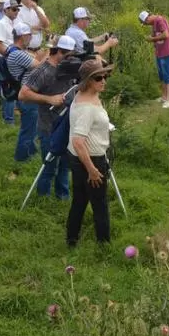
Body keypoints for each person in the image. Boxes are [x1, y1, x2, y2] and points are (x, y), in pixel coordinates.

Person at [19, 35, 77, 200]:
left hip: (67, 124)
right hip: (48, 126)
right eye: (67, 55)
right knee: (49, 165)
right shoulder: (43, 71)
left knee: (66, 164)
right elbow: (23, 94)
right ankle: (42, 198)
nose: (70, 58)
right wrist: (49, 99)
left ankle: (62, 196)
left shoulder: (67, 67)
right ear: (58, 51)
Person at [67, 59, 115, 247]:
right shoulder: (86, 107)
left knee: (79, 199)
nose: (103, 81)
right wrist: (92, 170)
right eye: (98, 78)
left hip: (80, 157)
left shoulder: (85, 93)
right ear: (87, 81)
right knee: (100, 203)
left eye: (105, 76)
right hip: (90, 158)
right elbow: (78, 142)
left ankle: (71, 239)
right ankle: (104, 244)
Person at [7, 21, 46, 162]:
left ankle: (30, 151)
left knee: (31, 127)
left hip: (25, 94)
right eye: (29, 35)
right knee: (28, 129)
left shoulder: (13, 50)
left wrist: (41, 55)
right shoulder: (18, 54)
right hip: (27, 96)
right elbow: (39, 65)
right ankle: (22, 157)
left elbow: (35, 61)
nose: (30, 38)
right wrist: (49, 51)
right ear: (22, 37)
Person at [139, 10, 169, 109]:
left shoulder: (159, 20)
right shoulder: (154, 23)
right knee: (162, 75)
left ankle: (168, 100)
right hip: (160, 53)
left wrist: (152, 39)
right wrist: (152, 38)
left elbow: (166, 35)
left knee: (167, 75)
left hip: (166, 52)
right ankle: (163, 97)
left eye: (145, 22)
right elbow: (157, 37)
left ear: (147, 18)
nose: (146, 24)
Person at [0, 0, 20, 124]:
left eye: (17, 9)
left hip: (13, 62)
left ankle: (10, 118)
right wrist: (12, 55)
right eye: (14, 9)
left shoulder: (15, 23)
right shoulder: (1, 24)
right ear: (6, 10)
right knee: (8, 91)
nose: (17, 12)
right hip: (4, 62)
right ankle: (8, 121)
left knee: (15, 89)